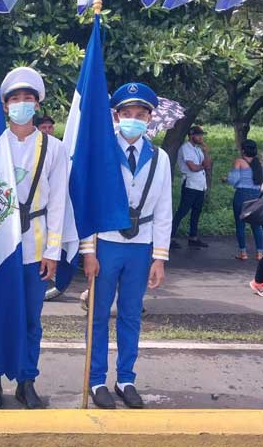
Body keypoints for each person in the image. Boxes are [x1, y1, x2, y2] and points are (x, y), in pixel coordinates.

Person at [0, 67, 68, 409]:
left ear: (37, 104)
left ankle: (27, 379)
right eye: (15, 99)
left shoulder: (54, 149)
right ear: (4, 105)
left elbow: (57, 203)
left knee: (31, 319)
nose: (21, 104)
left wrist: (53, 250)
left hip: (36, 247)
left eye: (28, 99)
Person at [81, 82, 171, 409]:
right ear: (116, 116)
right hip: (106, 243)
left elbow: (163, 209)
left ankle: (126, 378)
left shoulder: (159, 158)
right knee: (99, 313)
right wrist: (87, 251)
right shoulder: (102, 153)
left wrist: (159, 257)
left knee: (131, 313)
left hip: (141, 246)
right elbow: (88, 204)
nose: (134, 119)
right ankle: (96, 380)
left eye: (141, 114)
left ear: (150, 118)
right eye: (127, 113)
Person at [171, 126, 210, 249]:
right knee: (182, 211)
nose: (200, 138)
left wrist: (205, 151)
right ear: (191, 136)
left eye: (201, 135)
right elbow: (192, 168)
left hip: (200, 185)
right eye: (198, 135)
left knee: (196, 211)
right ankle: (169, 237)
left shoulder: (198, 149)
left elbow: (208, 164)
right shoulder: (185, 148)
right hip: (190, 184)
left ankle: (193, 237)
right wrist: (202, 166)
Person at [227, 139, 263, 260]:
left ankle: (243, 253)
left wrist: (227, 177)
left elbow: (234, 180)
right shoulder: (259, 163)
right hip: (256, 195)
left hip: (242, 195)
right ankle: (259, 253)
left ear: (243, 150)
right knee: (256, 225)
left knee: (240, 224)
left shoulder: (240, 161)